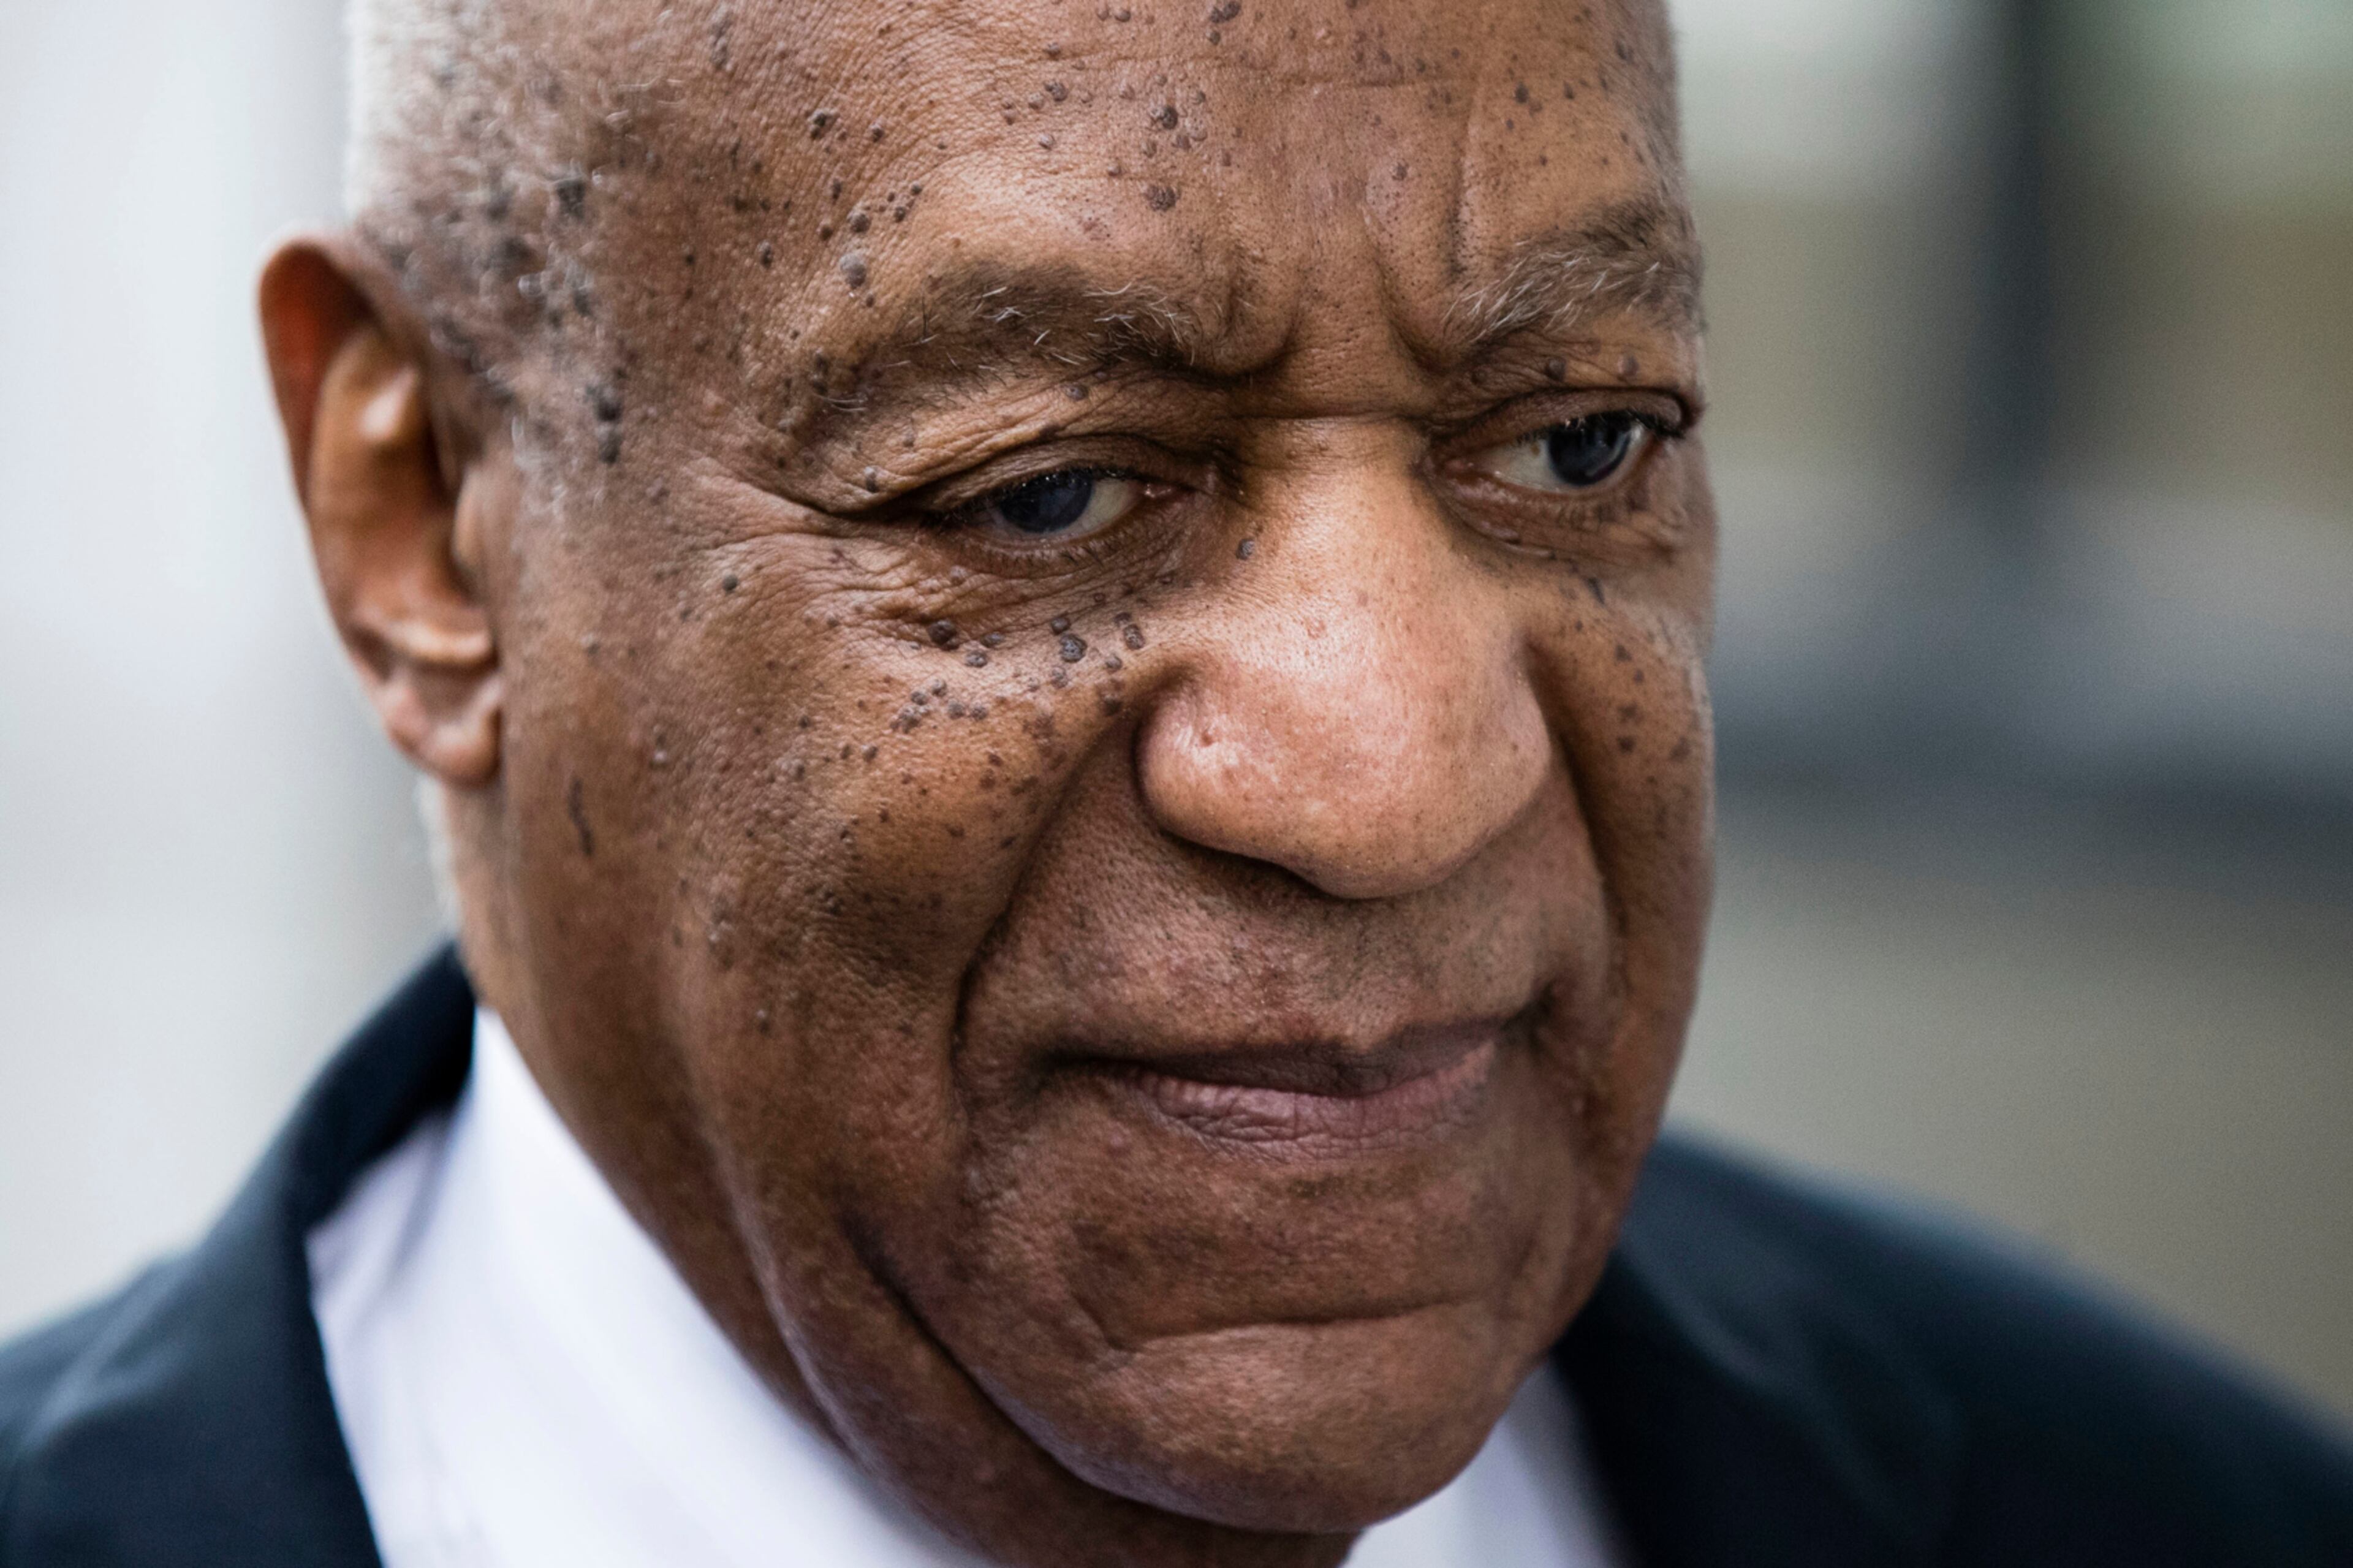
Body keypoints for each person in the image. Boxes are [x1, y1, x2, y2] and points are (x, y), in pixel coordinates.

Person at [4, 1, 2349, 1562]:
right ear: (422, 523)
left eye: (1576, 439)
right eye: (1044, 495)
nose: (1402, 771)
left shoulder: (2155, 1513)